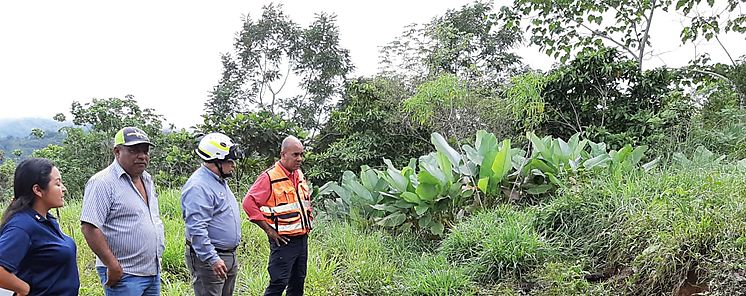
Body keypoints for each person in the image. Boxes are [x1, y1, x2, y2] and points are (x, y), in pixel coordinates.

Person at [80, 126, 165, 296]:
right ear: (117, 151)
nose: (142, 156)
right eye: (134, 150)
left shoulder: (147, 179)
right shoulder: (103, 182)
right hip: (124, 274)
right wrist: (112, 265)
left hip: (151, 272)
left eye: (145, 151)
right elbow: (89, 227)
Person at [243, 135, 313, 296]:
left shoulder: (299, 174)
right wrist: (269, 230)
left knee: (298, 282)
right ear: (283, 154)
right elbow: (248, 203)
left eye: (301, 154)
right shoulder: (269, 177)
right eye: (295, 154)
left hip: (302, 239)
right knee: (278, 282)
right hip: (283, 241)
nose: (299, 158)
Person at [0, 158, 79, 296]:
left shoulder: (46, 220)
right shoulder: (22, 226)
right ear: (37, 190)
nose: (63, 189)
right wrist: (23, 289)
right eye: (58, 184)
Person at [182, 132, 244, 296]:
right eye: (230, 161)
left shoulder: (219, 181)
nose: (233, 165)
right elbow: (196, 228)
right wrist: (212, 258)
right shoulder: (199, 186)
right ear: (216, 161)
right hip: (210, 258)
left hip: (227, 255)